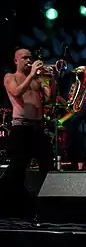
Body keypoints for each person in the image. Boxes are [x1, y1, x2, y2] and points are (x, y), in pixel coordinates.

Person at [1, 49, 54, 212]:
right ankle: (5, 200)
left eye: (30, 57)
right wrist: (32, 74)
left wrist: (50, 79)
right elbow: (16, 92)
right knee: (17, 166)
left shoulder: (36, 80)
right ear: (16, 61)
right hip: (21, 127)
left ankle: (49, 204)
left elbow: (49, 97)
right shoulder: (10, 77)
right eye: (24, 58)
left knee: (47, 165)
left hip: (38, 128)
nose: (29, 60)